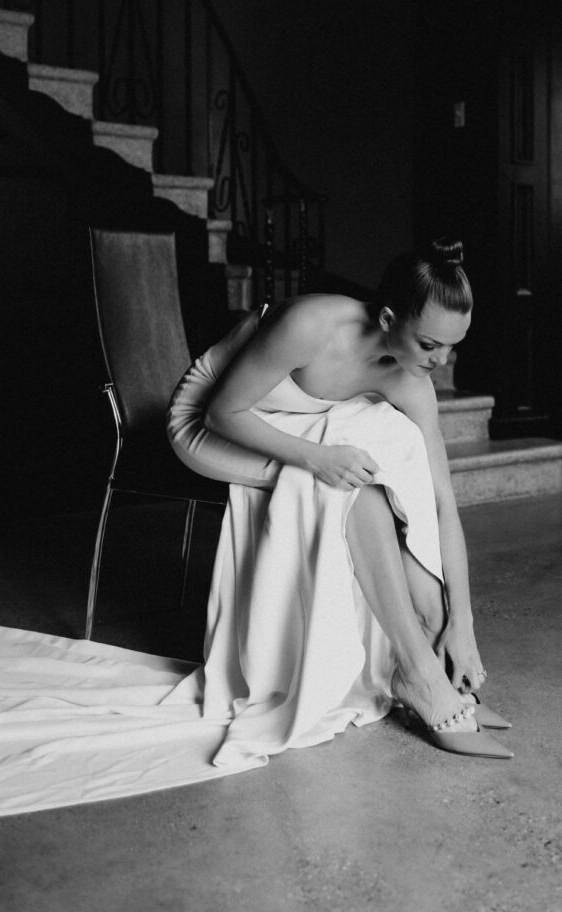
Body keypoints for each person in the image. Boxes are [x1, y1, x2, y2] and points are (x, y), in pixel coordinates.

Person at [167, 238, 513, 761]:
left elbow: (440, 503)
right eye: (428, 345)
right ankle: (418, 675)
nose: (441, 362)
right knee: (351, 490)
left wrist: (461, 622)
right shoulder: (313, 325)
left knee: (399, 485)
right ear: (391, 317)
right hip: (211, 425)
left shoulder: (413, 383)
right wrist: (313, 458)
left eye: (452, 347)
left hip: (294, 426)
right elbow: (222, 413)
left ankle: (440, 667)